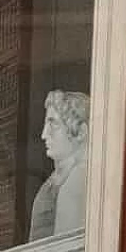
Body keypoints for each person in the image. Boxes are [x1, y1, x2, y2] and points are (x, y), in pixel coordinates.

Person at [30, 90, 89, 241]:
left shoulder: (83, 177)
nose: (44, 135)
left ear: (81, 132)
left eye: (54, 125)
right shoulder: (47, 188)